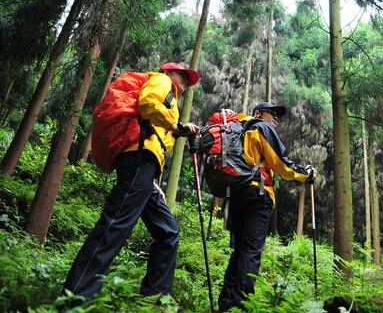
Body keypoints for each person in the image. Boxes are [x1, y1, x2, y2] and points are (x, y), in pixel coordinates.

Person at [63, 62, 200, 304]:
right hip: (139, 159)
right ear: (168, 71)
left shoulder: (171, 99)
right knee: (114, 225)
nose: (186, 82)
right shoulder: (162, 81)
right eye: (183, 75)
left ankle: (158, 300)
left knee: (168, 232)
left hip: (146, 167)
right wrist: (176, 126)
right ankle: (74, 299)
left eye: (188, 80)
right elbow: (148, 105)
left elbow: (159, 128)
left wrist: (177, 130)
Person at [218, 102, 316, 312]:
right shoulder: (261, 127)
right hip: (257, 195)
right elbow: (280, 164)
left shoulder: (237, 128)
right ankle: (242, 305)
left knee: (239, 250)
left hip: (235, 196)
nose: (275, 119)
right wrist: (305, 174)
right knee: (251, 251)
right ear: (258, 113)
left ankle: (226, 300)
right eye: (272, 114)